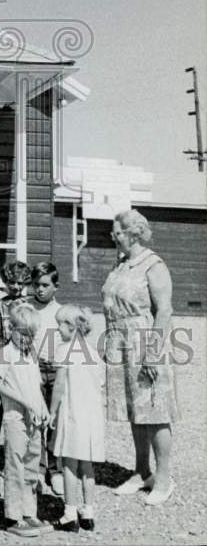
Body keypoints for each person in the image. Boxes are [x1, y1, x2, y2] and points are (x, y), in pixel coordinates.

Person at [102, 209, 178, 506]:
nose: (112, 236)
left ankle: (163, 477)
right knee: (135, 409)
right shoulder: (120, 264)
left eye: (116, 232)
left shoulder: (153, 264)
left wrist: (154, 353)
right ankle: (141, 471)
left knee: (155, 410)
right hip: (120, 340)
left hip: (144, 340)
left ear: (133, 233)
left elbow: (165, 310)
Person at [0, 304, 52, 538]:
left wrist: (43, 407)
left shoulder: (31, 355)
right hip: (15, 417)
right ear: (11, 329)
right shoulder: (5, 353)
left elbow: (36, 386)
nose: (27, 339)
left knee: (32, 464)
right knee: (15, 464)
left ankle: (29, 511)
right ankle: (13, 515)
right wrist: (26, 403)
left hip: (34, 418)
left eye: (31, 335)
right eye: (22, 333)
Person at [49, 305, 105, 532]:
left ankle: (69, 513)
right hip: (91, 415)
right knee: (87, 465)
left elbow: (60, 385)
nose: (58, 330)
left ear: (71, 328)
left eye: (60, 325)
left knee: (69, 465)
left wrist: (52, 411)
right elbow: (99, 384)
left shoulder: (64, 350)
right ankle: (88, 511)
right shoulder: (92, 352)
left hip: (72, 413)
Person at [30, 261, 63, 494]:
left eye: (44, 285)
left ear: (55, 287)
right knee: (37, 420)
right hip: (35, 369)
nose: (39, 289)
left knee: (55, 421)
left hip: (57, 369)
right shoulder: (28, 309)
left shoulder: (61, 312)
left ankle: (56, 469)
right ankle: (38, 469)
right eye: (36, 285)